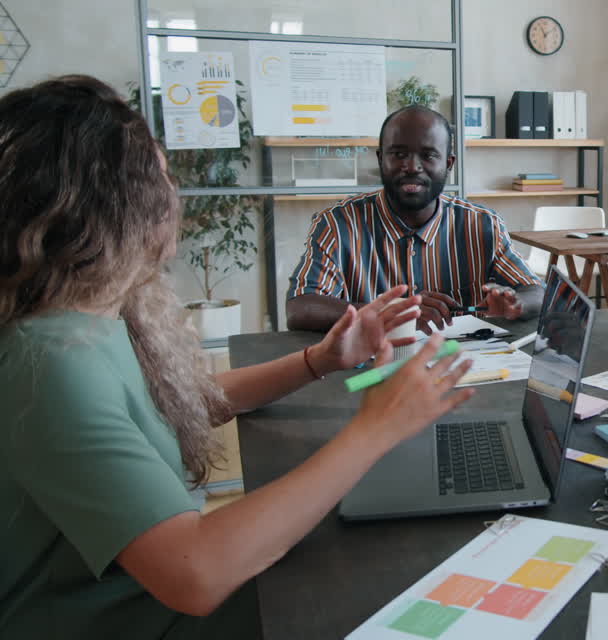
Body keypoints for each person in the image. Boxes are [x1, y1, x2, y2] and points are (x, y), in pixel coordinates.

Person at [0, 76, 476, 638]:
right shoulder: (49, 364)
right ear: (104, 204)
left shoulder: (91, 315)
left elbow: (188, 401)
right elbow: (195, 573)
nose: (173, 196)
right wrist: (375, 428)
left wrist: (319, 360)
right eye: (157, 177)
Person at [285, 105, 543, 333]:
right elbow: (300, 308)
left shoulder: (482, 225)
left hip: (464, 369)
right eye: (398, 154)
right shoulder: (338, 224)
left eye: (428, 155)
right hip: (373, 372)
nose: (411, 166)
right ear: (380, 159)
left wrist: (515, 303)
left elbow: (537, 292)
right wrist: (386, 312)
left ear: (449, 163)